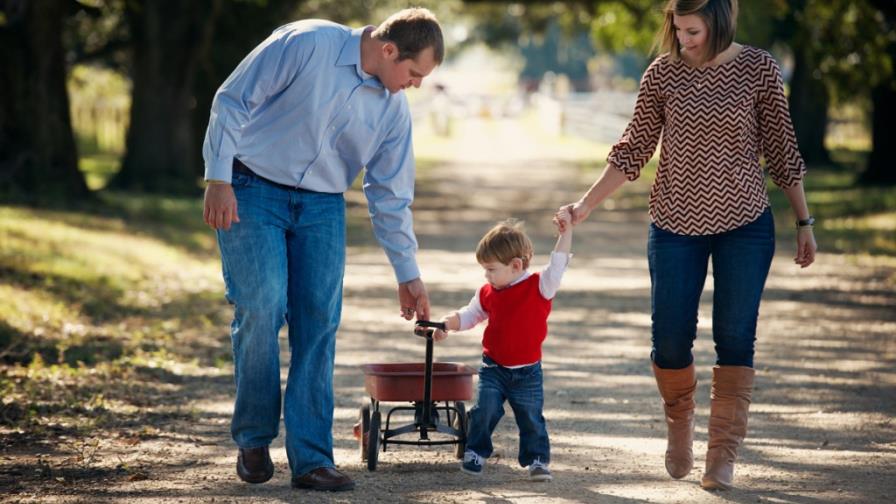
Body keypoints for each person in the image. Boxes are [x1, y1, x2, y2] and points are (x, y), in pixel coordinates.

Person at [556, 0, 817, 491]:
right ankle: (681, 423)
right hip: (674, 222)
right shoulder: (663, 74)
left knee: (735, 338)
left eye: (693, 31)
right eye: (678, 30)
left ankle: (722, 456)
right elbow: (634, 147)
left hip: (745, 223)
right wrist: (585, 205)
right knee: (671, 339)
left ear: (719, 22)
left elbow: (784, 151)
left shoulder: (759, 69)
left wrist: (804, 221)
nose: (684, 40)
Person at [201, 8, 443, 492]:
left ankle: (311, 458)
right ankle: (253, 437)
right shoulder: (306, 43)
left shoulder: (392, 110)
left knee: (318, 322)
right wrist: (218, 178)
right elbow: (233, 99)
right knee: (261, 308)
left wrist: (407, 272)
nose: (415, 85)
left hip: (323, 208)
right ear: (389, 50)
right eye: (414, 74)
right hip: (251, 189)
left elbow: (390, 196)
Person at [432, 213, 573, 482]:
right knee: (485, 410)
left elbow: (558, 264)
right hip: (493, 367)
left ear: (516, 265)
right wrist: (447, 323)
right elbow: (470, 314)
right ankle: (476, 452)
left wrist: (566, 232)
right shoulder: (488, 292)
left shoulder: (540, 286)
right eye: (484, 269)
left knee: (531, 417)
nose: (486, 275)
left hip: (528, 372)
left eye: (491, 269)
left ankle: (537, 460)